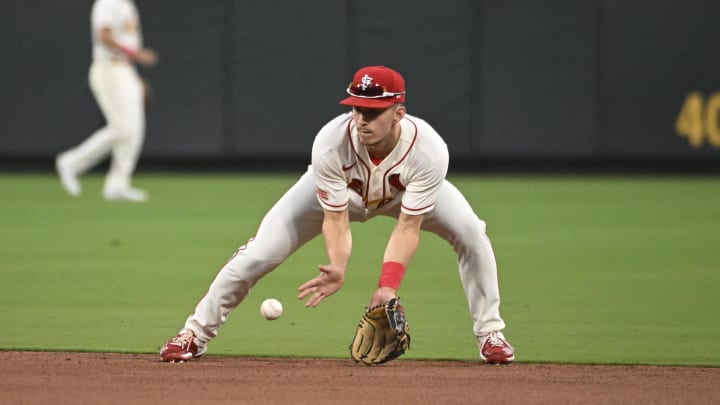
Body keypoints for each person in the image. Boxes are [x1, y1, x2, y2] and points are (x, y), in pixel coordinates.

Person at [160, 65, 515, 364]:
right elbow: (335, 218)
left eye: (373, 112)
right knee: (259, 253)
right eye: (357, 108)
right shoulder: (331, 142)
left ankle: (490, 334)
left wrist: (388, 286)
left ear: (398, 113)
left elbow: (408, 227)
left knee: (471, 232)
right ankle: (194, 333)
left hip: (401, 193)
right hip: (339, 193)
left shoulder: (429, 150)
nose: (362, 119)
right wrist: (339, 265)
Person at [56, 0, 157, 202]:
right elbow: (103, 36)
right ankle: (71, 162)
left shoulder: (127, 4)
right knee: (121, 129)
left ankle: (118, 184)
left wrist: (134, 75)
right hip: (108, 68)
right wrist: (136, 55)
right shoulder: (108, 3)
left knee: (135, 129)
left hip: (125, 69)